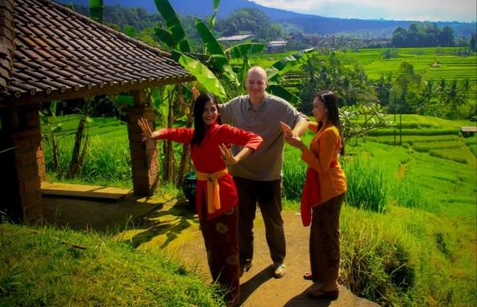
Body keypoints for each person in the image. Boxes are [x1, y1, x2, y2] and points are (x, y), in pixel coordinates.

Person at [138, 92, 262, 306]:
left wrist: (236, 159)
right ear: (198, 112)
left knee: (228, 247)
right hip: (204, 195)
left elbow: (255, 138)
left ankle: (231, 296)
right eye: (205, 110)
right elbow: (172, 132)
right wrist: (154, 134)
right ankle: (218, 286)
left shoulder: (223, 131)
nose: (210, 113)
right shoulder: (194, 135)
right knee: (212, 245)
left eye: (213, 109)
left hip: (224, 195)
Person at [218, 66, 309, 279]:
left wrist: (294, 134)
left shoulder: (279, 106)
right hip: (240, 173)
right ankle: (244, 259)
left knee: (273, 221)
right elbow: (215, 111)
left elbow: (302, 119)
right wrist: (199, 101)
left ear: (266, 83)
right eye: (252, 82)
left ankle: (278, 260)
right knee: (243, 220)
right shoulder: (236, 105)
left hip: (269, 176)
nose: (255, 86)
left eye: (260, 82)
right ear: (246, 84)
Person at [283, 90, 347, 299]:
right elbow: (312, 126)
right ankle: (321, 273)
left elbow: (322, 167)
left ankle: (330, 285)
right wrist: (299, 125)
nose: (313, 110)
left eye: (316, 106)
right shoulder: (324, 127)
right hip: (323, 189)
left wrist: (300, 145)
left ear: (326, 109)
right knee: (319, 233)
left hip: (330, 190)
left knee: (328, 236)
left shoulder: (330, 133)